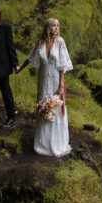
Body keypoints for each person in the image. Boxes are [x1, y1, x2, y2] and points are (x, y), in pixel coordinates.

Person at [20, 17, 73, 156]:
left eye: (58, 25)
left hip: (55, 78)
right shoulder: (40, 42)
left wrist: (61, 85)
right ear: (47, 27)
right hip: (43, 79)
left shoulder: (60, 42)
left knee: (55, 106)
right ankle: (43, 143)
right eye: (53, 25)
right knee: (43, 105)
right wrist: (20, 68)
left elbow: (62, 65)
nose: (56, 28)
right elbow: (30, 57)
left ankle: (57, 143)